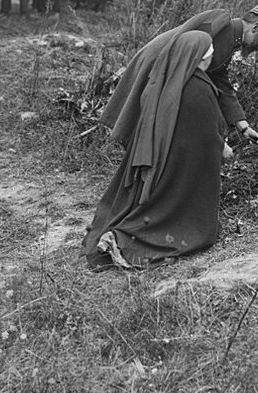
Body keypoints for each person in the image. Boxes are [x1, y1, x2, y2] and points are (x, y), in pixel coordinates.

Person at [83, 31, 233, 270]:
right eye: (208, 56)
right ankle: (125, 240)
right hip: (180, 168)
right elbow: (205, 135)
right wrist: (222, 147)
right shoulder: (198, 87)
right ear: (198, 58)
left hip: (158, 161)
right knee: (174, 217)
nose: (210, 60)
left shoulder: (168, 80)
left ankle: (122, 233)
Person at [101, 4, 258, 149]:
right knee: (144, 127)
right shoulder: (221, 20)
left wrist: (243, 126)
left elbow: (221, 82)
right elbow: (183, 44)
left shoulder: (231, 43)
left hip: (170, 74)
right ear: (255, 28)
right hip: (159, 63)